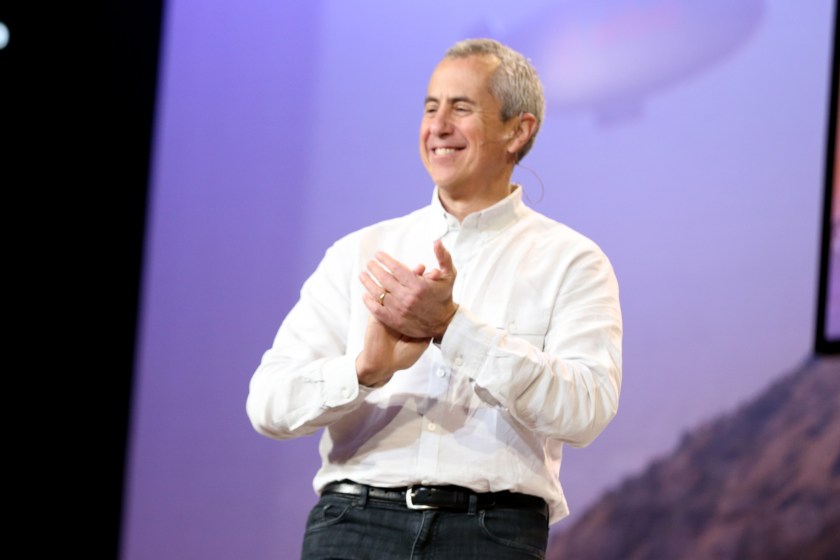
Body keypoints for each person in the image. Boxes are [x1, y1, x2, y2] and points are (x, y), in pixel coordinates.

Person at [246, 38, 622, 559]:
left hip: (490, 534)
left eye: (461, 108)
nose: (438, 126)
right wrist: (365, 371)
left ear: (518, 129)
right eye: (430, 107)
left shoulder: (572, 261)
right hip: (354, 526)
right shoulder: (361, 252)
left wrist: (452, 329)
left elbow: (587, 409)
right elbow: (268, 403)